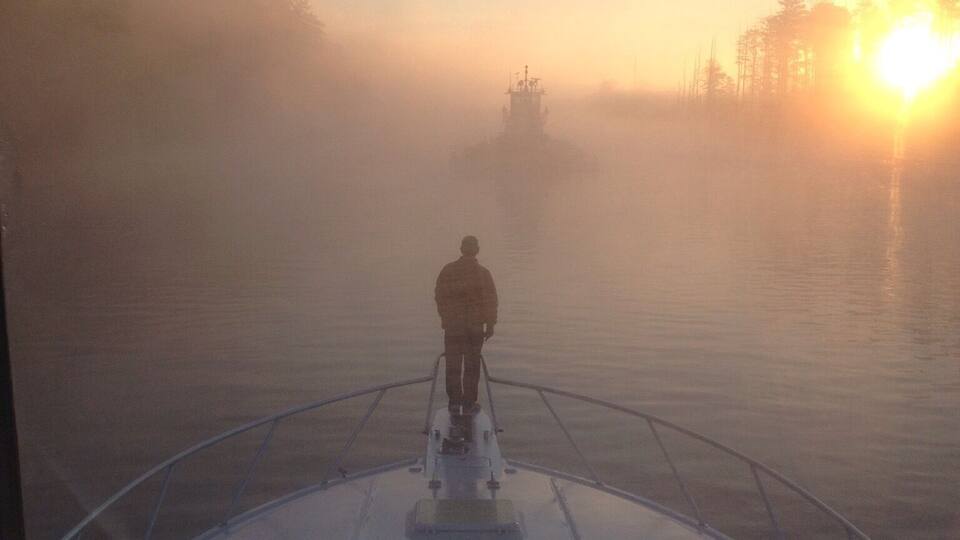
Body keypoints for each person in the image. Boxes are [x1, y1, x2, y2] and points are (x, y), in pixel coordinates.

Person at [435, 235, 498, 414]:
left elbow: (439, 296)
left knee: (453, 366)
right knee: (471, 367)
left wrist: (445, 319)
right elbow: (491, 301)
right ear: (477, 250)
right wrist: (491, 324)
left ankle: (454, 403)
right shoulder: (483, 274)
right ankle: (469, 403)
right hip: (475, 328)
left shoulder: (448, 271)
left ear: (461, 249)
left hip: (453, 327)